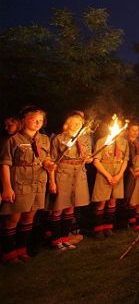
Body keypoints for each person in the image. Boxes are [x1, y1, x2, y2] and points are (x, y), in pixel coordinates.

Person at [1, 106, 55, 263]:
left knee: (29, 216)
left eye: (40, 119)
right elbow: (5, 164)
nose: (38, 122)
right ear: (23, 120)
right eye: (33, 119)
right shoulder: (13, 139)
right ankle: (8, 252)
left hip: (38, 182)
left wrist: (49, 164)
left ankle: (21, 248)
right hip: (19, 182)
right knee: (13, 218)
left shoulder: (44, 139)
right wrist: (7, 187)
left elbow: (45, 158)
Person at [49, 111, 92, 250]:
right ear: (67, 124)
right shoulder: (58, 139)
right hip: (63, 174)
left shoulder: (85, 139)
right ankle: (56, 240)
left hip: (79, 174)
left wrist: (88, 159)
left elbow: (89, 157)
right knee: (58, 208)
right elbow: (53, 161)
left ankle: (65, 238)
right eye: (73, 123)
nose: (75, 125)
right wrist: (52, 181)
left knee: (70, 207)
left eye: (78, 124)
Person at [90, 120, 129, 238]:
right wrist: (107, 175)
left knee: (113, 201)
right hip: (104, 173)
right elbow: (96, 160)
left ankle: (108, 227)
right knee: (102, 201)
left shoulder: (124, 142)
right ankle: (98, 229)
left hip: (118, 174)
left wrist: (119, 175)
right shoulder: (102, 141)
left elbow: (125, 160)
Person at [124, 122, 139, 227]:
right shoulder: (124, 142)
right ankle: (127, 221)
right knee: (128, 195)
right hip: (128, 172)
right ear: (128, 131)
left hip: (137, 172)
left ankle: (135, 219)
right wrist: (132, 170)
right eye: (133, 130)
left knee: (135, 195)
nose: (135, 132)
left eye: (137, 130)